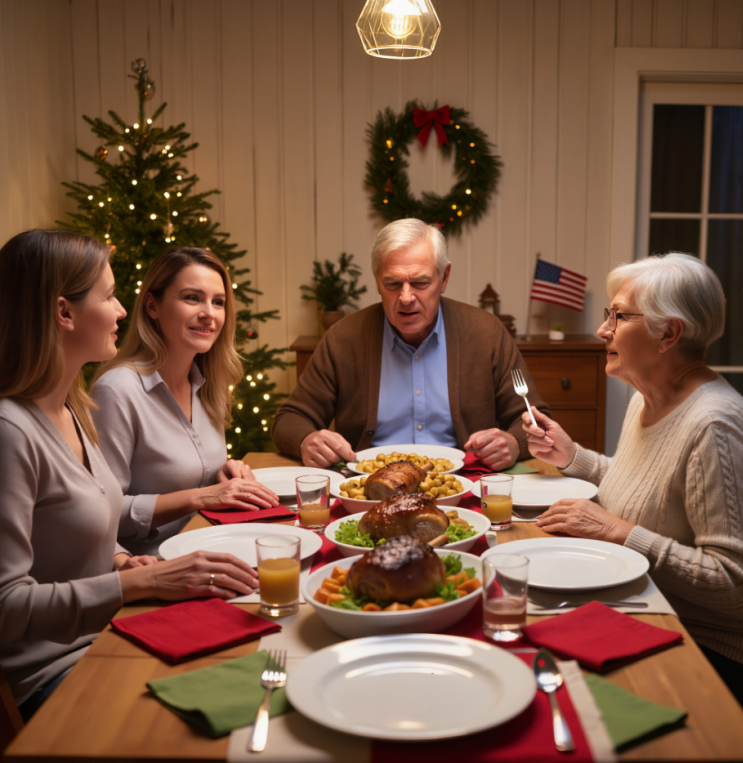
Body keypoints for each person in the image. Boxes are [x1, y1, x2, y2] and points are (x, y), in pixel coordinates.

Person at [0, 230, 259, 721]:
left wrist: (120, 563)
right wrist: (139, 581)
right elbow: (6, 606)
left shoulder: (71, 408)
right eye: (108, 296)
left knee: (258, 665)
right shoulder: (11, 431)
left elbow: (85, 530)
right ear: (64, 313)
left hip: (113, 629)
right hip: (57, 668)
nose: (122, 310)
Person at [523, 252, 743, 729]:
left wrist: (618, 532)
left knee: (552, 697)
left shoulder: (715, 426)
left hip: (719, 649)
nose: (603, 329)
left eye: (619, 316)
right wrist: (572, 457)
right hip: (652, 607)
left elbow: (738, 585)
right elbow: (646, 487)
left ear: (668, 334)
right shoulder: (647, 398)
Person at [273, 219, 549, 470]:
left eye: (420, 282)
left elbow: (535, 420)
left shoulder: (486, 333)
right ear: (377, 280)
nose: (406, 298)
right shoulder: (343, 338)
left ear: (444, 277)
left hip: (462, 484)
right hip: (369, 487)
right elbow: (290, 418)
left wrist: (514, 442)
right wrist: (306, 440)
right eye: (393, 283)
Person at [90, 247, 279, 557]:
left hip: (216, 543)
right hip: (155, 564)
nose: (209, 313)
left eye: (218, 302)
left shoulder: (208, 382)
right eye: (193, 298)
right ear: (153, 306)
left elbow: (195, 476)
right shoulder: (116, 390)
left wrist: (224, 472)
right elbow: (101, 514)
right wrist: (201, 497)